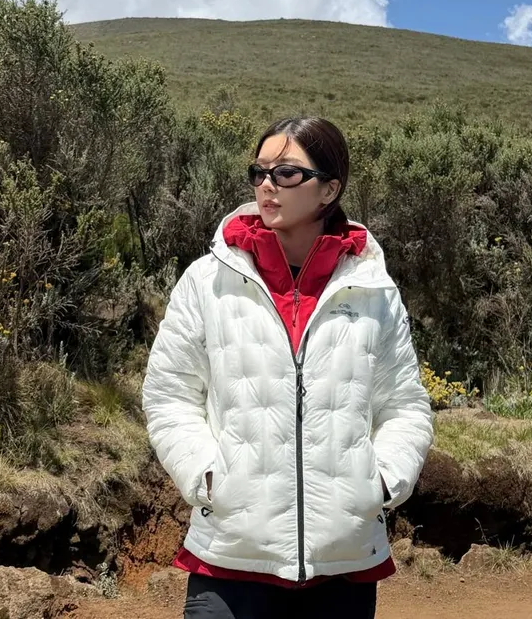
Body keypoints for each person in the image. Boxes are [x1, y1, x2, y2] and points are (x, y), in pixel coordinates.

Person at [142, 116, 433, 619]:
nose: (267, 185)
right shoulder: (207, 280)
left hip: (343, 559)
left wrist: (381, 483)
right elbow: (169, 396)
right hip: (231, 552)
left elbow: (405, 406)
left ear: (330, 189)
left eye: (287, 173)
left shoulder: (373, 289)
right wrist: (206, 476)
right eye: (259, 172)